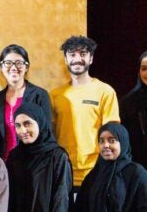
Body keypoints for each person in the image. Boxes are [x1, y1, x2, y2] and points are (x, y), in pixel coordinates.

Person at [50, 36, 120, 193]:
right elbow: (51, 135)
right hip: (64, 172)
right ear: (66, 59)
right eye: (72, 54)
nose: (77, 59)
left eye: (82, 54)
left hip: (96, 171)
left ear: (91, 58)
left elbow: (113, 134)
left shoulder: (105, 92)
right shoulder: (55, 95)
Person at [0, 44, 52, 160]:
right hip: (3, 166)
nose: (13, 67)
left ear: (26, 67)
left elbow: (46, 135)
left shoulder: (40, 95)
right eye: (8, 63)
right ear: (1, 67)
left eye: (19, 63)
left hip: (32, 163)